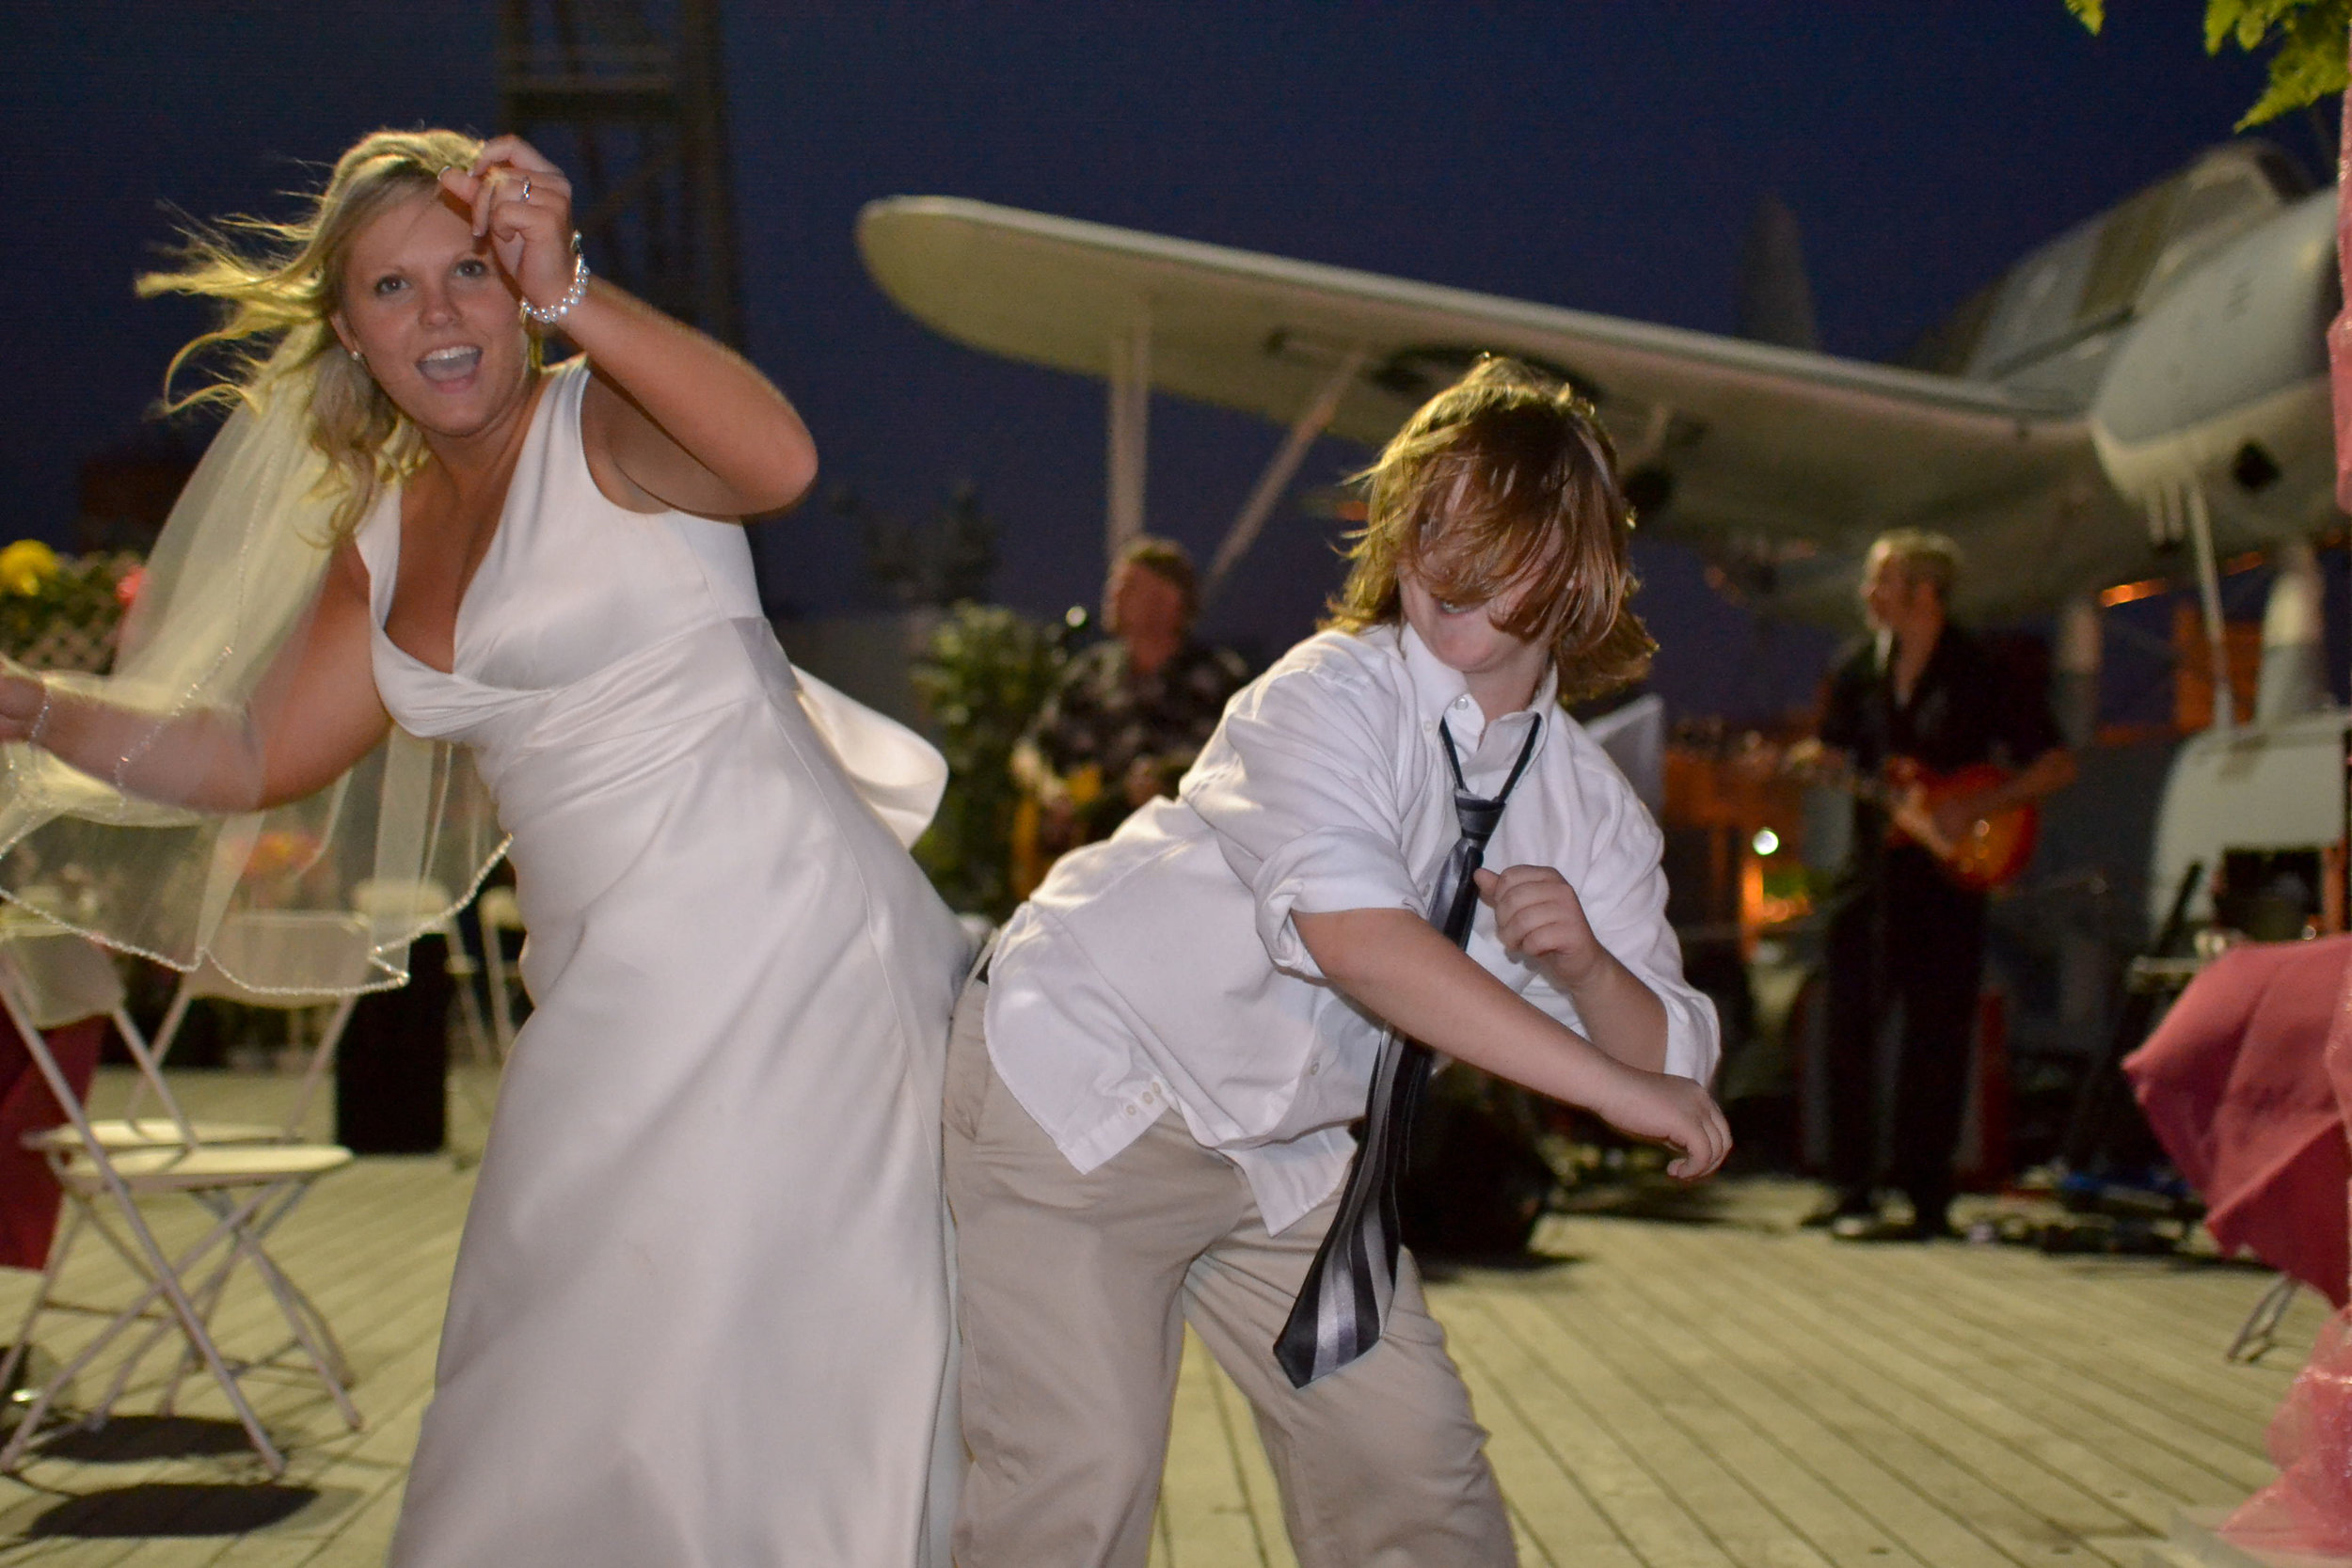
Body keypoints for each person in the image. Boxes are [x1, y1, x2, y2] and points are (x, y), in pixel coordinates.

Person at [0, 130, 967, 1565]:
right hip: (601, 993)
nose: (441, 314)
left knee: (744, 1379)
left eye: (468, 269)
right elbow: (248, 754)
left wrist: (575, 286)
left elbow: (779, 459)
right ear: (350, 329)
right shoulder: (382, 536)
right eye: (395, 287)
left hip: (792, 960)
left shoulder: (606, 423)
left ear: (516, 283)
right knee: (545, 1374)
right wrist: (28, 703)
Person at [946, 358, 1728, 1568]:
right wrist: (1621, 1090)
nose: (1444, 551)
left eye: (1490, 527)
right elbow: (1360, 943)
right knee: (1076, 1484)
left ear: (1574, 563)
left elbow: (1671, 1059)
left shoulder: (1584, 803)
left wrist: (1586, 973)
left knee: (1416, 1478)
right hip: (1090, 1090)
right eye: (1427, 515)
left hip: (1286, 1152)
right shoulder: (1328, 692)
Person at [1800, 530, 2075, 1243]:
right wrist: (1813, 760)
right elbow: (1840, 754)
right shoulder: (1857, 668)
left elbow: (2053, 764)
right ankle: (1852, 1187)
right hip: (1873, 872)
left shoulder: (1981, 668)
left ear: (1926, 593)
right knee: (1846, 1024)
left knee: (1937, 1035)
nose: (1866, 595)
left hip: (1948, 878)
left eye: (1881, 580)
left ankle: (1925, 1195)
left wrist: (1974, 805)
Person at [1009, 536, 1248, 891]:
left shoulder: (1218, 679)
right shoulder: (1090, 671)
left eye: (1129, 586)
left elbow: (1240, 770)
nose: (1113, 595)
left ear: (1170, 600)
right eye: (1114, 585)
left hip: (1176, 875)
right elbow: (1029, 751)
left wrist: (1170, 784)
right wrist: (1052, 793)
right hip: (1084, 878)